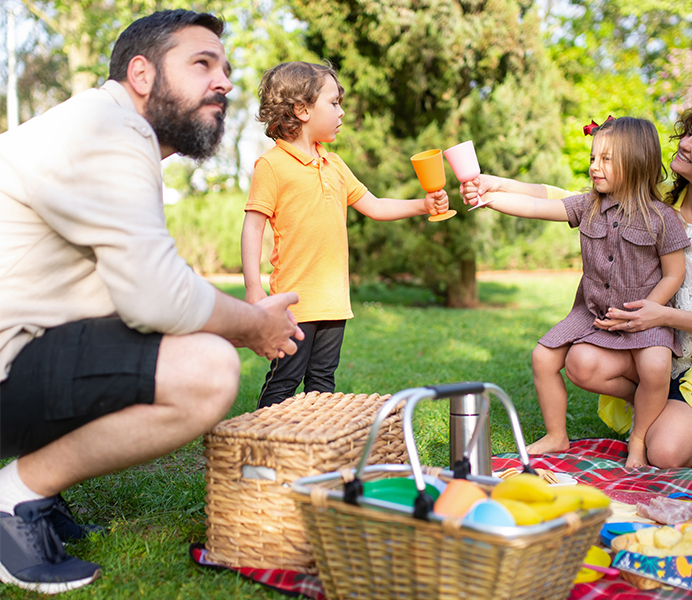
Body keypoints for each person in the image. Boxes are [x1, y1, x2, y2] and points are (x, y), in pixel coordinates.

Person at [0, 10, 303, 594]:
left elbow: (132, 286)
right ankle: (14, 501)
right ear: (141, 74)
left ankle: (39, 487)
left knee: (159, 335)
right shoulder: (109, 132)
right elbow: (157, 295)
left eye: (227, 69)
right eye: (201, 63)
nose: (224, 82)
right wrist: (252, 325)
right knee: (207, 368)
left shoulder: (102, 128)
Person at [463, 100, 692, 470]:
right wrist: (498, 186)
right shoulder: (658, 201)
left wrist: (661, 315)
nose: (684, 143)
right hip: (643, 345)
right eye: (691, 133)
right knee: (580, 363)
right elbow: (570, 200)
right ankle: (655, 404)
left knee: (664, 453)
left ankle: (670, 419)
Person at [461, 117, 690, 468]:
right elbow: (537, 207)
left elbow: (674, 274)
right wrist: (489, 198)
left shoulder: (662, 218)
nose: (593, 167)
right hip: (593, 310)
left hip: (644, 314)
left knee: (656, 367)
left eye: (606, 159)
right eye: (593, 157)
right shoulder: (589, 206)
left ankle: (640, 441)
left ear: (638, 162)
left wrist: (648, 311)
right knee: (543, 357)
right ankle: (557, 435)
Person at [241, 61, 449, 408]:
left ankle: (318, 450)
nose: (341, 112)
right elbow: (253, 224)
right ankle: (261, 448)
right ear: (302, 109)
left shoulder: (334, 164)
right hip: (295, 302)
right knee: (286, 379)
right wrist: (253, 287)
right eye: (334, 103)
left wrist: (423, 205)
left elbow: (376, 206)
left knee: (323, 381)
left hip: (334, 299)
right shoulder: (273, 165)